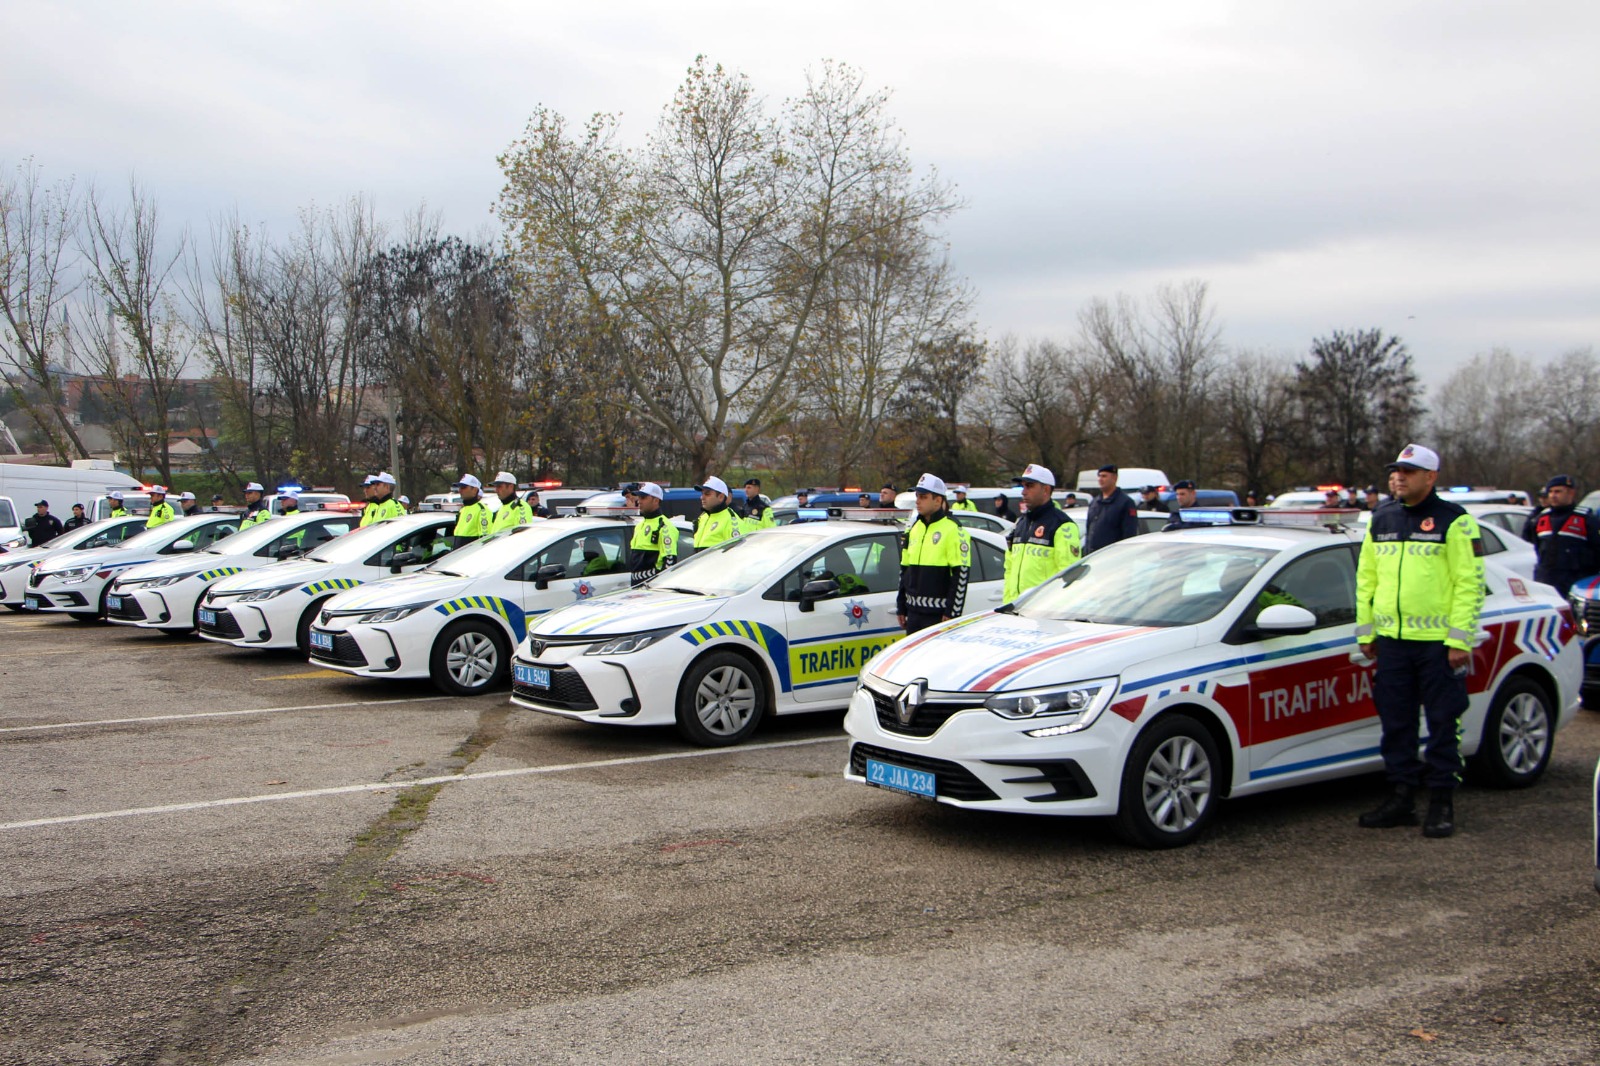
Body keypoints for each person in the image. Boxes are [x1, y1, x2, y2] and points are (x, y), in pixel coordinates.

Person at [1356, 443, 1486, 839]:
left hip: (1437, 645)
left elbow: (1469, 584)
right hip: (1393, 643)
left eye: (1408, 472)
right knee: (1397, 724)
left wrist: (1459, 640)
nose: (1398, 477)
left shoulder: (1455, 521)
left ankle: (1442, 802)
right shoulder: (1382, 517)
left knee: (1444, 723)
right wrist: (1366, 631)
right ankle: (1402, 798)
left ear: (1431, 477)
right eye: (1395, 471)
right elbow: (1366, 579)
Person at [897, 473, 970, 634]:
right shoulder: (914, 528)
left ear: (938, 500)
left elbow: (961, 575)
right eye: (917, 496)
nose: (918, 501)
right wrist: (901, 605)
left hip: (938, 615)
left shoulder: (953, 530)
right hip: (913, 613)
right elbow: (905, 569)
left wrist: (952, 612)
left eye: (923, 497)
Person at [1003, 464, 1080, 602]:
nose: (1023, 492)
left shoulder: (1062, 525)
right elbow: (1009, 569)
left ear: (1046, 490)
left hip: (1043, 609)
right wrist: (1007, 604)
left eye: (1029, 486)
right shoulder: (1021, 523)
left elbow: (1069, 576)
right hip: (1016, 608)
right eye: (1023, 486)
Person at [1520, 475, 1600, 597]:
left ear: (1571, 493)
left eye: (1558, 492)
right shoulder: (1540, 519)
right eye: (1550, 492)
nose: (1553, 495)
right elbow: (1537, 547)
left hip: (1576, 584)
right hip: (1546, 581)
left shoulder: (1586, 519)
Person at [629, 482, 680, 586]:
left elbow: (669, 563)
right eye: (639, 497)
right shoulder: (639, 525)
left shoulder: (664, 526)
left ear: (656, 500)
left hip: (651, 587)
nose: (639, 501)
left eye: (643, 497)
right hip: (636, 585)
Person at [1083, 465, 1137, 553]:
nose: (1100, 479)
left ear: (1114, 478)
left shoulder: (1125, 502)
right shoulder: (1095, 502)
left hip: (1112, 556)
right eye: (1099, 476)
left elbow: (1129, 534)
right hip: (1093, 556)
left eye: (1104, 476)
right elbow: (1089, 531)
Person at [693, 476, 742, 549]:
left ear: (721, 497)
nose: (702, 497)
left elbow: (738, 552)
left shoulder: (732, 521)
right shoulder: (702, 518)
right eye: (702, 494)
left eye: (707, 494)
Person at [451, 474, 489, 544]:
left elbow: (486, 539)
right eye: (459, 488)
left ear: (475, 490)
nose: (460, 490)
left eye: (463, 487)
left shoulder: (482, 510)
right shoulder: (462, 510)